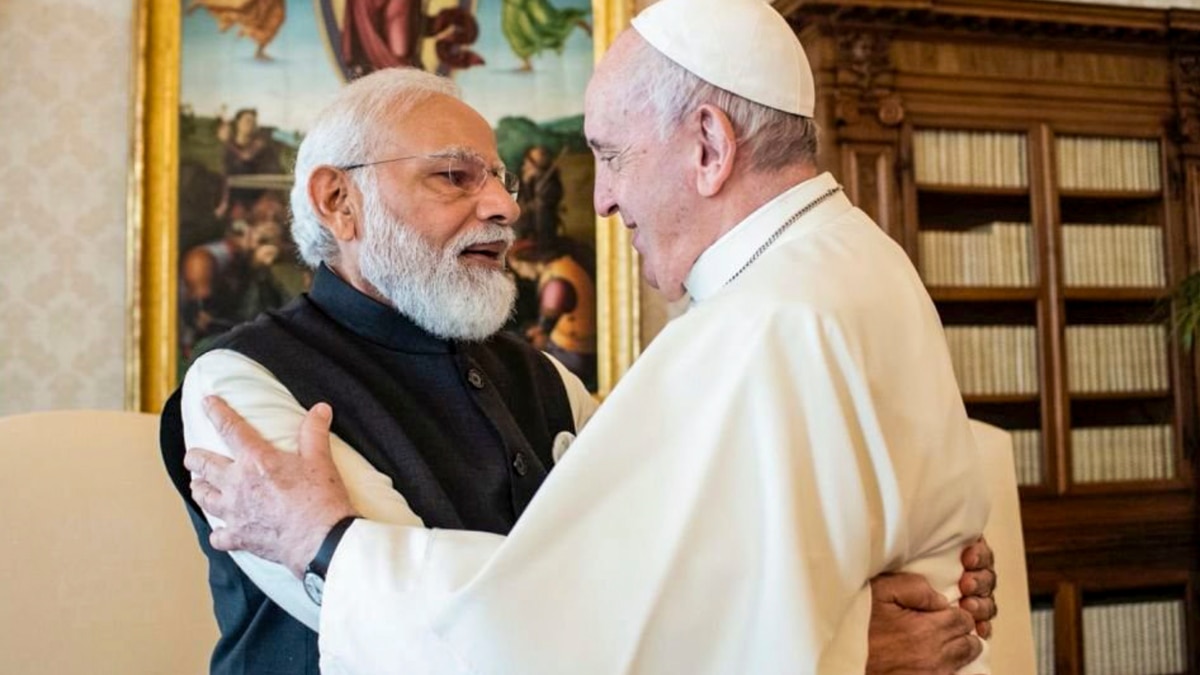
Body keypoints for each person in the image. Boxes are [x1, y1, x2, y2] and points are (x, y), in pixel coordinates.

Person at [182, 2, 997, 668]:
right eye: (456, 176)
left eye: (501, 176)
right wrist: (842, 635)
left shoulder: (587, 366)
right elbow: (547, 622)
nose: (507, 205)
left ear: (710, 147)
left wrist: (326, 543)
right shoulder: (237, 385)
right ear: (338, 201)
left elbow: (633, 598)